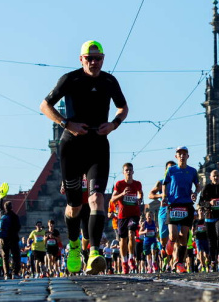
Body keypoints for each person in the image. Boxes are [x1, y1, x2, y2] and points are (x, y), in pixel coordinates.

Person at [40, 40, 128, 275]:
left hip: (98, 146)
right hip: (72, 147)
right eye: (89, 58)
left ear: (103, 59)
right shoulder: (70, 79)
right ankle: (75, 246)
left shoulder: (109, 81)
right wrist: (66, 123)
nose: (94, 62)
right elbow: (44, 105)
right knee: (74, 206)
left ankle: (95, 251)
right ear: (81, 59)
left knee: (97, 198)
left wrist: (114, 124)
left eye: (98, 58)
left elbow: (123, 107)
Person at [162, 146, 200, 273]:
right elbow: (164, 183)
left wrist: (195, 193)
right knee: (173, 234)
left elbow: (198, 186)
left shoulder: (193, 171)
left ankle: (180, 263)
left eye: (184, 154)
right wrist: (164, 196)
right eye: (180, 154)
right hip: (173, 204)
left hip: (187, 205)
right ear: (176, 156)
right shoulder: (171, 170)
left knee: (184, 237)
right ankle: (170, 242)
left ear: (188, 156)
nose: (182, 156)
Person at [111, 162, 143, 274]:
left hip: (134, 214)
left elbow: (140, 193)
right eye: (126, 170)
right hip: (122, 215)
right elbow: (113, 199)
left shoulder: (137, 184)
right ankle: (124, 261)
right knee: (123, 240)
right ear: (123, 172)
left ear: (133, 172)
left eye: (130, 170)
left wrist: (139, 199)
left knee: (132, 234)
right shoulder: (119, 184)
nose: (129, 172)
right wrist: (122, 194)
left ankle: (130, 258)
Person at [198, 169, 219, 271]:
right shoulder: (207, 188)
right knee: (211, 240)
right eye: (214, 176)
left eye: (217, 175)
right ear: (210, 177)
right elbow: (201, 203)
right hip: (209, 217)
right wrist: (209, 203)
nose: (216, 177)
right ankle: (213, 260)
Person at [149, 160, 175, 269]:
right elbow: (150, 195)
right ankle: (164, 251)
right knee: (164, 238)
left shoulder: (178, 182)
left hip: (175, 210)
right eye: (169, 168)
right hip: (163, 210)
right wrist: (160, 196)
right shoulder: (161, 182)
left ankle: (173, 263)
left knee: (174, 236)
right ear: (166, 170)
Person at [0, 192, 21, 279]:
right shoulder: (14, 216)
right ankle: (15, 273)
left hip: (3, 239)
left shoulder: (2, 214)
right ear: (11, 207)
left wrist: (1, 198)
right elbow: (18, 227)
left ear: (5, 207)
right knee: (16, 256)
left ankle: (6, 274)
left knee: (5, 257)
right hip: (13, 238)